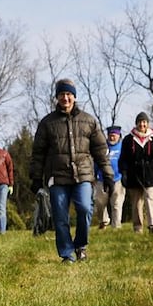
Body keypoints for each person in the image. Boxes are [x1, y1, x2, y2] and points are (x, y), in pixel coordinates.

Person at [28, 77, 114, 263]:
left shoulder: (89, 121)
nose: (65, 98)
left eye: (68, 94)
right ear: (57, 97)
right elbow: (38, 153)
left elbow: (100, 151)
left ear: (74, 97)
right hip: (57, 178)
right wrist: (36, 178)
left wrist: (108, 175)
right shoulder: (47, 123)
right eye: (61, 94)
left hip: (83, 175)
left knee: (84, 208)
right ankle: (67, 254)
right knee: (60, 217)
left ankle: (81, 245)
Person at [118, 111, 153, 232]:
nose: (142, 124)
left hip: (151, 174)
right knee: (136, 202)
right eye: (140, 122)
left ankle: (152, 224)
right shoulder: (128, 139)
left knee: (150, 198)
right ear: (136, 124)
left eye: (144, 122)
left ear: (147, 124)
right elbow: (123, 158)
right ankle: (138, 227)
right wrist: (124, 173)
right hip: (134, 175)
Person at [94, 125, 125, 229]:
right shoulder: (102, 147)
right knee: (99, 202)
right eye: (110, 135)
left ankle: (116, 226)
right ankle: (104, 221)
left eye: (114, 135)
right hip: (102, 178)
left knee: (117, 203)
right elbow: (96, 161)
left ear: (118, 135)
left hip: (118, 179)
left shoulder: (123, 147)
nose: (112, 137)